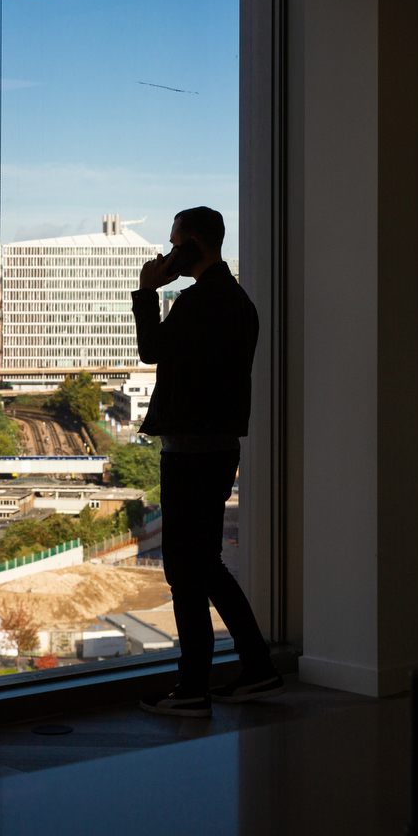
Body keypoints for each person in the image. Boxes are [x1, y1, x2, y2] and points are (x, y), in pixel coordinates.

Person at [131, 206, 284, 717]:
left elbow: (151, 349)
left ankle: (193, 687)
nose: (168, 253)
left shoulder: (198, 302)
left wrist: (147, 291)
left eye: (174, 244)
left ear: (194, 244)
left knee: (183, 568)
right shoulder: (240, 302)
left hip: (190, 452)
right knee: (206, 565)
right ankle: (258, 666)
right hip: (219, 449)